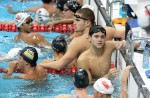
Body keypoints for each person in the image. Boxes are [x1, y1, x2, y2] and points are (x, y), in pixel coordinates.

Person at [39, 8, 126, 70]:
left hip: (88, 83)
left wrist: (41, 65)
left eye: (77, 20)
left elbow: (59, 65)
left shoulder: (77, 42)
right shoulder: (107, 31)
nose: (74, 23)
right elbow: (127, 34)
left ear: (87, 22)